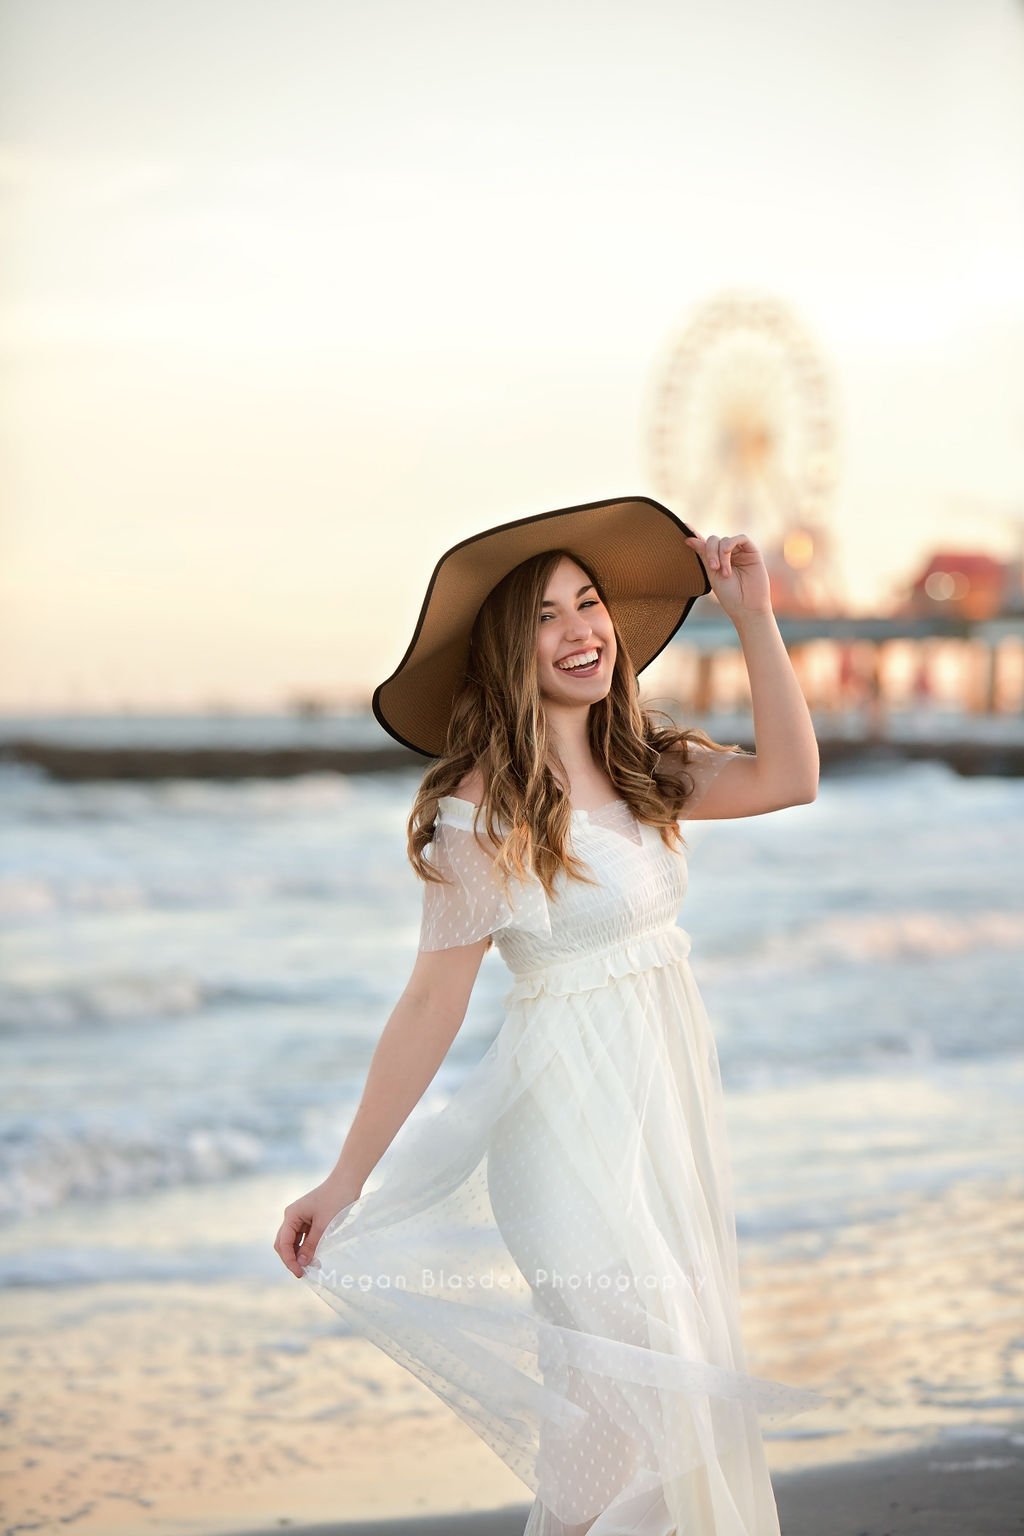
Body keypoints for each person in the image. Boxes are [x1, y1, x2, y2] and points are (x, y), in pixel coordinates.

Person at [275, 495, 828, 1535]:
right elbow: (431, 1002)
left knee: (602, 1431)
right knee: (655, 1391)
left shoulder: (645, 767)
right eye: (543, 615)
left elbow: (792, 777)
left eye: (588, 603)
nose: (579, 630)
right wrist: (344, 1180)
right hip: (560, 1141)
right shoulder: (477, 814)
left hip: (653, 1129)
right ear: (504, 650)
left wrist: (752, 614)